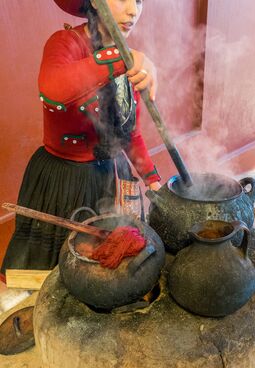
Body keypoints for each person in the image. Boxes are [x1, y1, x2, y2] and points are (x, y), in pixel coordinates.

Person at [1, 0, 161, 276]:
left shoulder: (132, 59)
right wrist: (121, 58)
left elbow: (129, 132)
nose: (134, 11)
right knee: (60, 275)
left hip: (114, 177)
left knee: (112, 270)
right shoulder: (65, 42)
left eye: (139, 0)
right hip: (64, 182)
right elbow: (52, 89)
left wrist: (153, 180)